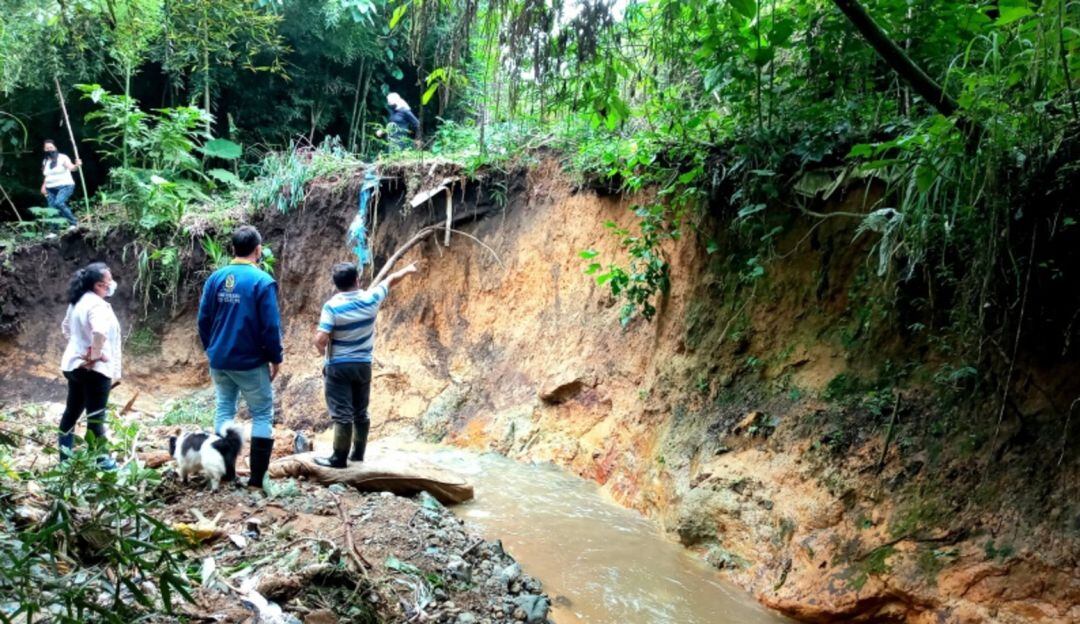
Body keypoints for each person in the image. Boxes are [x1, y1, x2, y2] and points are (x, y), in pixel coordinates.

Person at [197, 225, 283, 488]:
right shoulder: (261, 281)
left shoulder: (215, 279)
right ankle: (257, 479)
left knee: (224, 408)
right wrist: (275, 357)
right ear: (258, 250)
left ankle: (225, 473)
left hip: (220, 360)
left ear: (233, 249)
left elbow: (203, 319)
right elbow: (270, 326)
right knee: (262, 413)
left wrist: (212, 348)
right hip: (249, 361)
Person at [312, 261, 418, 468]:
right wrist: (407, 270)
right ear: (357, 280)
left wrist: (322, 353)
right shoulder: (371, 298)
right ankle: (358, 454)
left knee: (342, 413)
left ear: (336, 284)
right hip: (363, 365)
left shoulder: (332, 306)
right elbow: (390, 280)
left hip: (339, 366)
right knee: (361, 412)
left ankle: (338, 458)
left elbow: (320, 339)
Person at [59, 262, 121, 469]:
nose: (112, 284)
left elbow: (66, 327)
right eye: (108, 281)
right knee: (96, 417)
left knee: (71, 412)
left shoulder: (78, 300)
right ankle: (102, 462)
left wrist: (79, 347)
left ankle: (64, 460)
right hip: (95, 371)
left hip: (74, 367)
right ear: (98, 285)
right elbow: (100, 332)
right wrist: (95, 354)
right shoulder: (96, 305)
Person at [40, 139, 82, 227]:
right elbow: (47, 175)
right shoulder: (45, 161)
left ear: (55, 148)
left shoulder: (63, 157)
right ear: (44, 150)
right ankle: (54, 230)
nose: (49, 150)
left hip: (65, 186)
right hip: (50, 188)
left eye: (51, 147)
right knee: (52, 209)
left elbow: (71, 168)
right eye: (47, 148)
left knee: (59, 203)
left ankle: (73, 223)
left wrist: (76, 165)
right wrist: (43, 186)